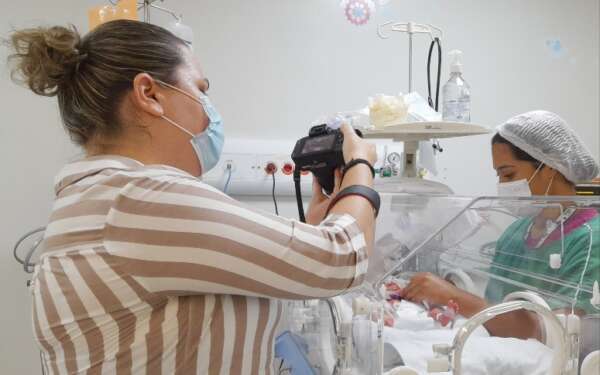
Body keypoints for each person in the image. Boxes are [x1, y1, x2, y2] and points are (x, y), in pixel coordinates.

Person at [7, 20, 378, 374]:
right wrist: (361, 163)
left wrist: (307, 233)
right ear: (149, 94)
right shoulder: (140, 198)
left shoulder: (98, 199)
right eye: (201, 89)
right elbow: (339, 259)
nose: (209, 109)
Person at [401, 110, 600, 340]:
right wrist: (449, 299)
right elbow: (494, 307)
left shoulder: (590, 240)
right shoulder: (515, 233)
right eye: (498, 176)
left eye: (508, 174)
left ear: (549, 168)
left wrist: (453, 296)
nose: (501, 185)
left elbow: (557, 334)